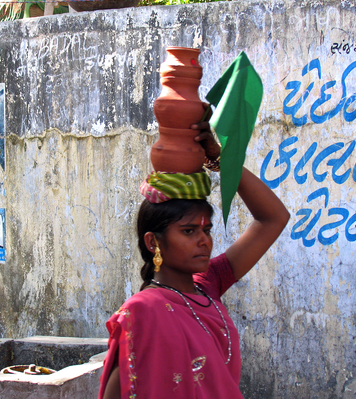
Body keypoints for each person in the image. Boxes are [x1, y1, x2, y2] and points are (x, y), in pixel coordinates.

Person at [98, 118, 290, 399]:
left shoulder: (208, 284)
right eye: (188, 231)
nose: (204, 240)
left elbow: (274, 218)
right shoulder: (143, 311)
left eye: (206, 230)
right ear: (153, 242)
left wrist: (220, 161)